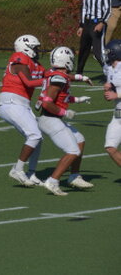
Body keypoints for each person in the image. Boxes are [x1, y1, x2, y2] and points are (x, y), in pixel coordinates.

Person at [36, 47, 94, 196]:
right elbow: (47, 103)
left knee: (79, 140)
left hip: (51, 118)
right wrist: (65, 113)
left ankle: (74, 176)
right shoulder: (59, 79)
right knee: (73, 151)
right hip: (50, 119)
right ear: (66, 60)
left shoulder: (55, 74)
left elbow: (63, 92)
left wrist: (80, 88)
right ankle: (53, 181)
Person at [0, 35, 47, 187]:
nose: (37, 51)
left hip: (22, 104)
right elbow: (29, 82)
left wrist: (73, 77)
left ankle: (31, 173)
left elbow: (52, 77)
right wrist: (51, 80)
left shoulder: (36, 65)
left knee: (37, 138)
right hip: (11, 102)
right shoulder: (19, 59)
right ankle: (17, 170)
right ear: (26, 48)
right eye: (35, 48)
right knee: (34, 135)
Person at [76, 0, 111, 76]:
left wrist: (102, 23)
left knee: (98, 52)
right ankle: (79, 73)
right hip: (87, 23)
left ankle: (109, 73)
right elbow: (84, 8)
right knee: (83, 49)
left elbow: (108, 9)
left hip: (97, 24)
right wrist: (81, 25)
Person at [102, 40, 121, 166]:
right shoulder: (110, 69)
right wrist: (108, 91)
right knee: (110, 147)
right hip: (118, 114)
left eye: (108, 51)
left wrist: (117, 95)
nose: (106, 54)